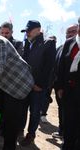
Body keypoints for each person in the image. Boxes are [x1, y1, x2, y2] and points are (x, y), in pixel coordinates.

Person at [20, 20, 56, 146]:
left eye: (29, 30)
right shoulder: (27, 44)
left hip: (37, 87)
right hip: (25, 85)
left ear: (38, 30)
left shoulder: (48, 43)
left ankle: (31, 135)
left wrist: (40, 85)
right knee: (22, 109)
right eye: (26, 31)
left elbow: (49, 67)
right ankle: (20, 131)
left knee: (35, 112)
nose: (27, 33)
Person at [51, 24, 78, 139]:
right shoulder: (62, 47)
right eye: (67, 32)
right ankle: (62, 130)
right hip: (61, 86)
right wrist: (58, 85)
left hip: (75, 87)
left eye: (73, 31)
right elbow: (58, 66)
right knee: (62, 108)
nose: (69, 34)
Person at [57, 17, 80, 150]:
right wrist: (60, 86)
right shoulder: (70, 43)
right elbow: (62, 66)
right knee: (69, 123)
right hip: (69, 91)